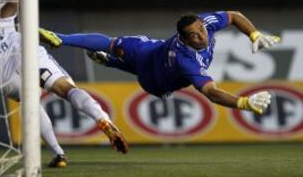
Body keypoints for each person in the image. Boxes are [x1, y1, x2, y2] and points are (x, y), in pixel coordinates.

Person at [0, 0, 129, 168]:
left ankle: (59, 154)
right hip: (25, 54)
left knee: (31, 105)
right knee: (67, 90)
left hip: (3, 79)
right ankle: (104, 120)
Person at [39, 11, 281, 115]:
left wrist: (254, 35)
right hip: (147, 54)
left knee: (137, 66)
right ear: (183, 38)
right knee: (111, 43)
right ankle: (61, 38)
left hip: (155, 79)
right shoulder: (189, 61)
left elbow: (234, 16)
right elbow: (212, 93)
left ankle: (111, 62)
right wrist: (244, 103)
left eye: (201, 30)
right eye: (194, 35)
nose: (201, 35)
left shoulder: (205, 24)